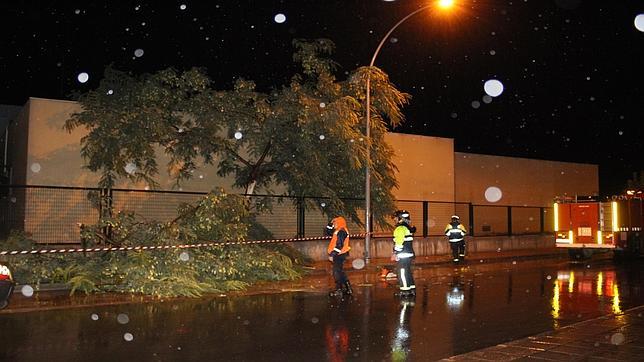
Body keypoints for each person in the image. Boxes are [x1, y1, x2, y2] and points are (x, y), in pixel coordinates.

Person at [392, 210, 416, 297]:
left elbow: (399, 242)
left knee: (402, 272)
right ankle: (411, 289)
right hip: (409, 253)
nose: (394, 220)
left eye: (395, 218)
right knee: (408, 272)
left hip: (402, 254)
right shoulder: (407, 228)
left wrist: (395, 253)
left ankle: (405, 291)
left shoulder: (400, 228)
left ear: (400, 218)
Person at [326, 216, 352, 297]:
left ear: (339, 223)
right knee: (339, 271)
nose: (334, 225)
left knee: (336, 272)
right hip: (340, 254)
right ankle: (348, 288)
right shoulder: (339, 230)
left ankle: (339, 289)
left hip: (339, 254)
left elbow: (339, 245)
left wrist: (332, 255)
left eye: (335, 223)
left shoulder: (341, 231)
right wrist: (330, 223)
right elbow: (328, 232)